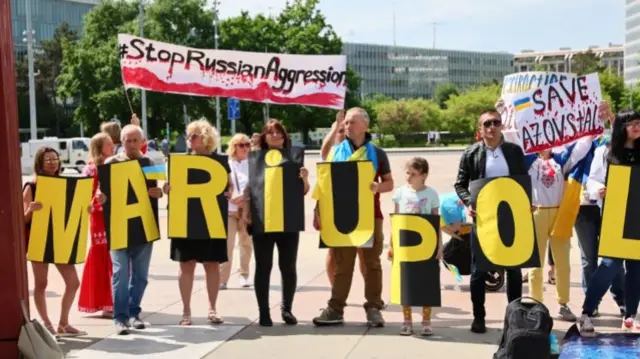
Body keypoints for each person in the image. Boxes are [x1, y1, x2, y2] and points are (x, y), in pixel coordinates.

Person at [313, 107, 394, 327]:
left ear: (365, 125)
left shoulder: (377, 153)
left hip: (370, 216)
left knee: (372, 264)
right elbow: (324, 185)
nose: (347, 126)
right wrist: (317, 210)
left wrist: (378, 187)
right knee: (343, 265)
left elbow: (390, 183)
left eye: (352, 122)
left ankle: (374, 308)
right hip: (341, 216)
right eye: (346, 123)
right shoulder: (336, 151)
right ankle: (335, 308)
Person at [454, 109, 526, 334]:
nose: (491, 127)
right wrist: (469, 203)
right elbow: (460, 184)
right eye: (487, 124)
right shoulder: (471, 153)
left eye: (495, 122)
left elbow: (523, 181)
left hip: (511, 217)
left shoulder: (514, 152)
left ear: (501, 126)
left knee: (514, 269)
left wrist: (526, 202)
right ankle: (479, 317)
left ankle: (513, 319)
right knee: (479, 270)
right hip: (484, 219)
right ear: (480, 129)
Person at [243, 119, 310, 326]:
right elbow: (249, 189)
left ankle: (286, 309)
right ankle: (264, 311)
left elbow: (303, 191)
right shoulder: (254, 159)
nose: (275, 135)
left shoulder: (294, 157)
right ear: (264, 136)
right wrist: (246, 211)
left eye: (279, 132)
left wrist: (305, 179)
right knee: (263, 266)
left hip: (288, 220)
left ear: (285, 136)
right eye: (271, 132)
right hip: (263, 220)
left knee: (288, 266)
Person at [579, 109, 640, 336]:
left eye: (638, 122)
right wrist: (598, 190)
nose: (636, 126)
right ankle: (586, 312)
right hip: (615, 214)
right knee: (610, 265)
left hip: (637, 216)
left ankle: (630, 316)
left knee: (636, 268)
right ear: (621, 126)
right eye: (631, 123)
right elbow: (592, 180)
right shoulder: (606, 152)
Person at [163, 119, 229, 326]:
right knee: (186, 265)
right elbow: (171, 188)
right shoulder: (180, 162)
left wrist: (229, 193)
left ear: (206, 138)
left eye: (194, 135)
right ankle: (186, 311)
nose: (189, 139)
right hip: (185, 219)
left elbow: (229, 186)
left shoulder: (219, 162)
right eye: (189, 135)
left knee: (212, 264)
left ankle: (212, 308)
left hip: (212, 218)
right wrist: (167, 189)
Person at [99, 124, 162, 335]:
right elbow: (102, 192)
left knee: (141, 276)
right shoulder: (110, 163)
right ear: (122, 142)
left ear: (142, 142)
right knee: (120, 274)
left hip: (144, 226)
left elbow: (161, 190)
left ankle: (134, 313)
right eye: (128, 140)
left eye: (136, 140)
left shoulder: (150, 162)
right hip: (119, 226)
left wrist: (159, 192)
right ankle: (120, 317)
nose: (132, 144)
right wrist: (101, 198)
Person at [524, 136, 593, 322]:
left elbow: (580, 150)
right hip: (537, 212)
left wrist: (590, 132)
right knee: (535, 263)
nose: (544, 143)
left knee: (562, 262)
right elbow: (514, 139)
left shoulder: (560, 160)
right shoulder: (529, 160)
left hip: (559, 214)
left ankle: (563, 304)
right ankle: (535, 304)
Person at [23, 147, 87, 337]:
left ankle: (64, 323)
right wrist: (30, 210)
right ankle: (47, 324)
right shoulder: (31, 187)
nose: (52, 163)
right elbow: (22, 220)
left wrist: (87, 208)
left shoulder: (65, 183)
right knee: (41, 283)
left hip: (61, 237)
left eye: (55, 159)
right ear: (39, 163)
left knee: (73, 282)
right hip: (39, 239)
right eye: (48, 160)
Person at [388, 157, 441, 336]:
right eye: (407, 173)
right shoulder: (400, 193)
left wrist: (439, 245)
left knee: (427, 281)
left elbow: (436, 221)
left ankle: (426, 320)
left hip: (426, 242)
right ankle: (407, 320)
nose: (408, 177)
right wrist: (392, 244)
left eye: (413, 174)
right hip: (405, 242)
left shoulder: (431, 194)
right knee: (406, 282)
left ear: (423, 175)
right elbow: (395, 221)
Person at [317, 110, 366, 287]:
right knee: (333, 252)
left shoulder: (361, 150)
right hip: (334, 210)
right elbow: (324, 150)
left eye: (344, 128)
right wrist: (335, 127)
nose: (343, 131)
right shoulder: (331, 154)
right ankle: (335, 291)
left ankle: (372, 296)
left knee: (363, 253)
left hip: (360, 209)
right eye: (339, 130)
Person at [78, 133, 115, 318]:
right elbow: (85, 198)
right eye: (109, 144)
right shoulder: (91, 169)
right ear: (100, 147)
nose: (113, 147)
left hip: (114, 218)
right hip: (99, 220)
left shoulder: (114, 164)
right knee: (102, 257)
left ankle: (113, 300)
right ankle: (104, 303)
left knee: (115, 259)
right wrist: (99, 201)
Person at [220, 133, 253, 289]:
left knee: (246, 243)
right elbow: (221, 186)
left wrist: (245, 196)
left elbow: (258, 185)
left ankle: (244, 275)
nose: (245, 148)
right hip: (230, 210)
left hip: (248, 210)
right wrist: (229, 196)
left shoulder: (254, 163)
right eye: (241, 145)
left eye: (247, 145)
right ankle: (223, 279)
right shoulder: (227, 164)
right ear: (234, 147)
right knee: (228, 244)